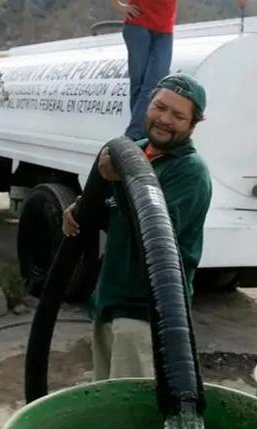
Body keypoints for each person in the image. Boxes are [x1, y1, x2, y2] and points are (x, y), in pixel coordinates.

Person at [63, 73, 212, 379]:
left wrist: (118, 183)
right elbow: (114, 214)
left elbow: (155, 234)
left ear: (193, 124)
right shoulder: (137, 150)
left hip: (146, 314)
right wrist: (81, 207)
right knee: (109, 403)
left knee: (133, 415)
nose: (165, 119)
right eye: (160, 107)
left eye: (178, 115)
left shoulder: (189, 172)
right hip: (110, 302)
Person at [113, 0, 248, 140]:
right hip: (138, 25)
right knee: (138, 83)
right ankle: (142, 135)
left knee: (154, 83)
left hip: (164, 29)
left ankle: (134, 135)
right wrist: (119, 6)